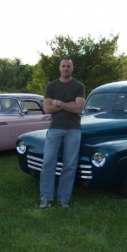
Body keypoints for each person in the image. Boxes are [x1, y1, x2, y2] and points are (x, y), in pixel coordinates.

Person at [39, 58, 86, 209]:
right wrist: (68, 104)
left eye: (68, 66)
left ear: (72, 68)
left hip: (73, 129)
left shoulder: (79, 86)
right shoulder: (51, 86)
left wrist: (58, 103)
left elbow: (78, 109)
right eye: (63, 66)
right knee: (48, 162)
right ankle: (46, 198)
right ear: (60, 68)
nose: (66, 69)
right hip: (55, 128)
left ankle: (63, 199)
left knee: (70, 165)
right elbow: (47, 109)